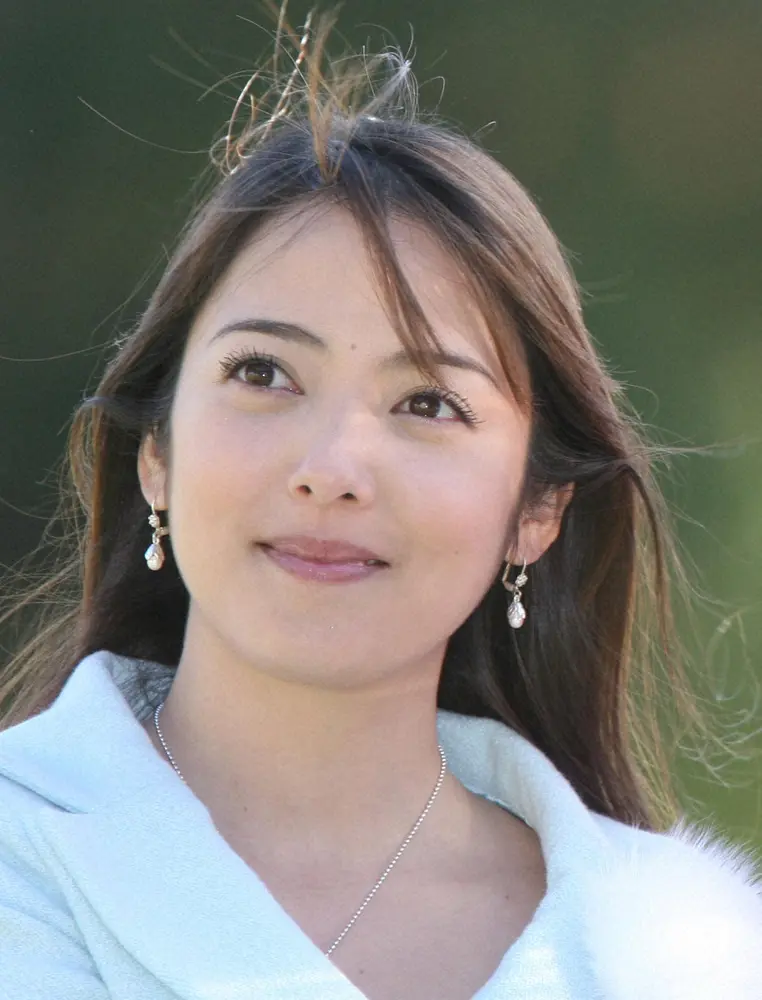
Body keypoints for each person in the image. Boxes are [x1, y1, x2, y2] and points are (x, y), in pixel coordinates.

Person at [0, 13, 760, 1000]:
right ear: (157, 453)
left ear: (537, 510)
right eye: (263, 373)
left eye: (427, 403)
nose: (331, 470)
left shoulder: (688, 954)